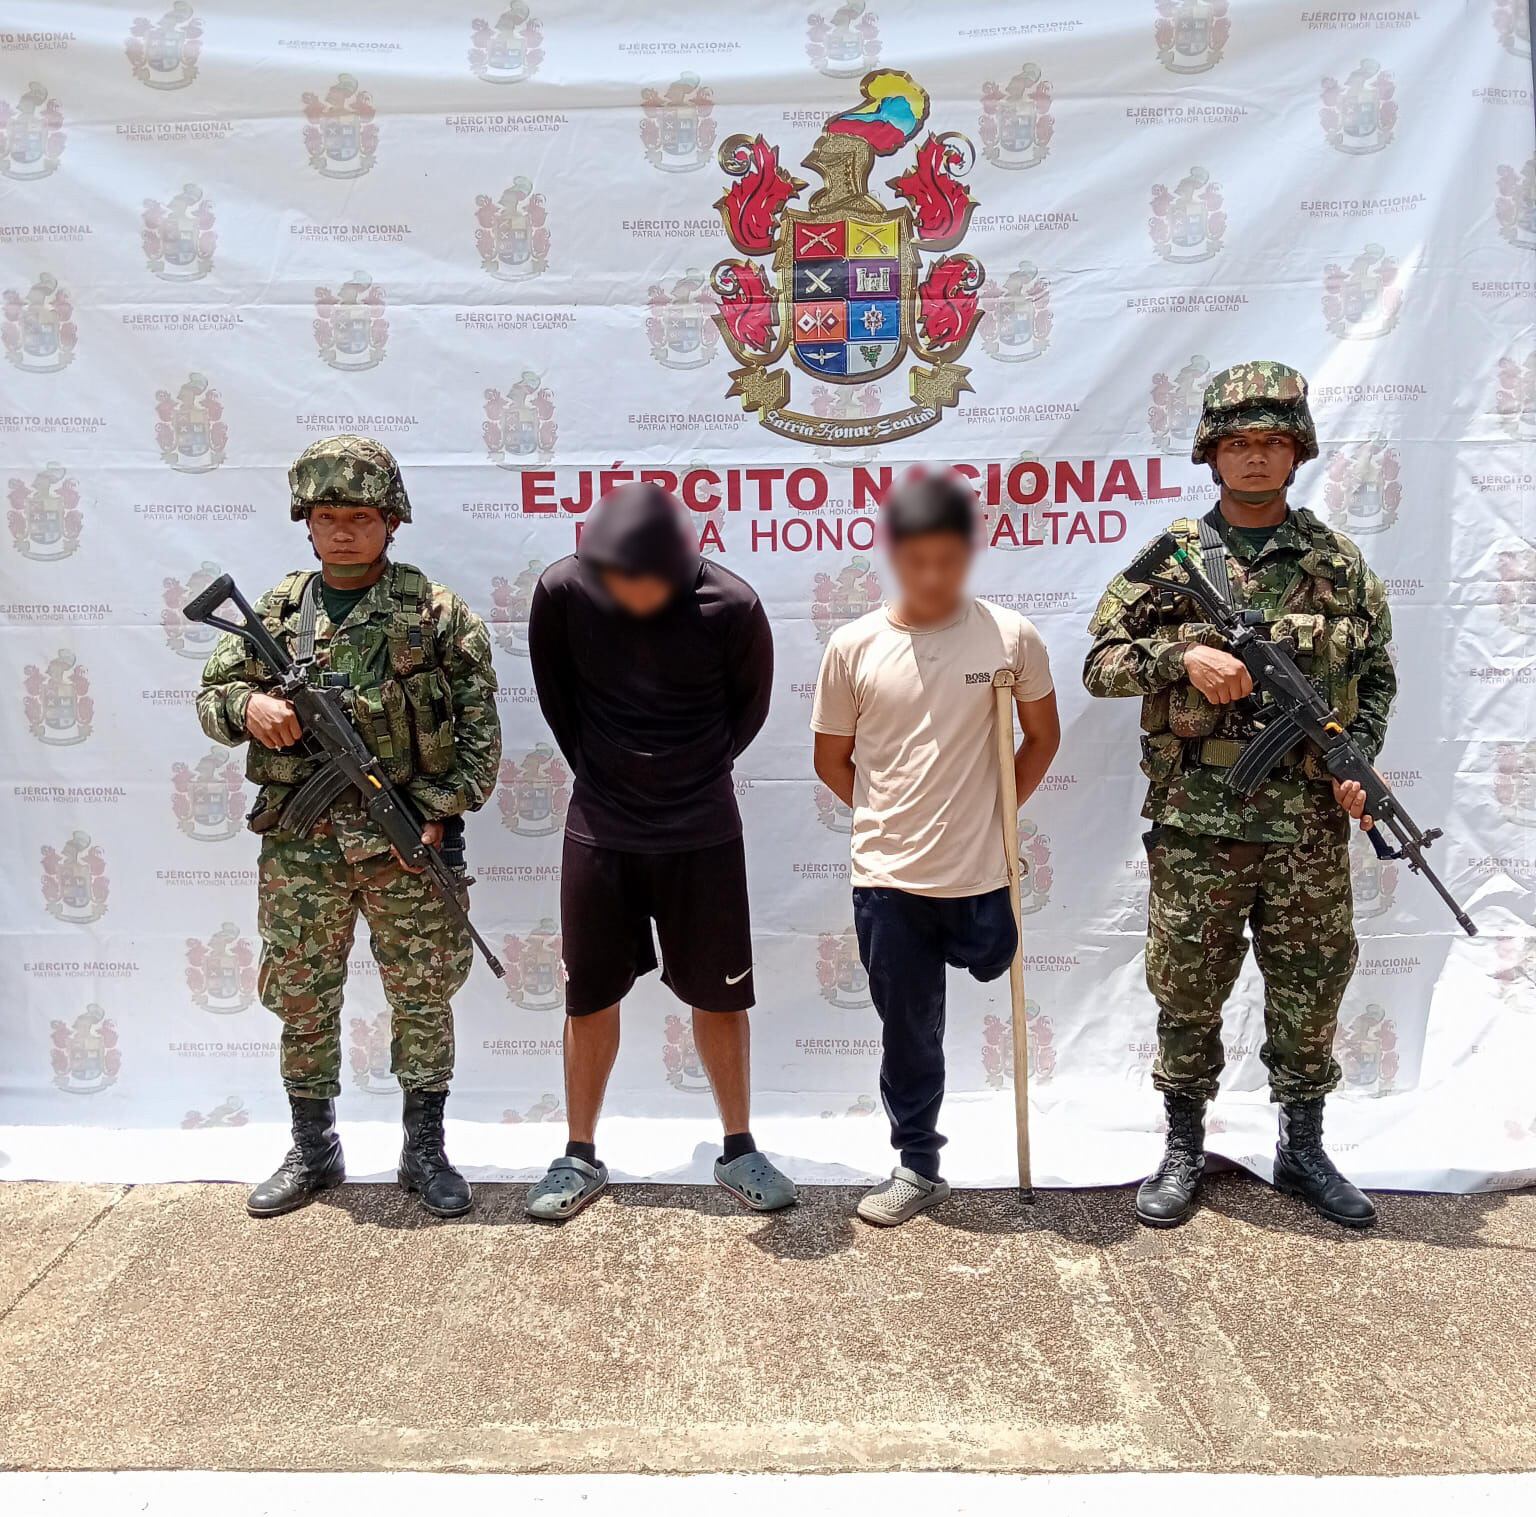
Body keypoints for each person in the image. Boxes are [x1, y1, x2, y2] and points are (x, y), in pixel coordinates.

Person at [1083, 361, 1395, 1229]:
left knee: (1312, 984)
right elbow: (1100, 662)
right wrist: (1181, 658)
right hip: (1196, 827)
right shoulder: (1176, 559)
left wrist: (1354, 762)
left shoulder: (1336, 564)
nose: (1255, 458)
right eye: (1238, 443)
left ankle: (1303, 1148)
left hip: (1304, 831)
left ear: (1297, 452)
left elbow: (1373, 680)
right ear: (1212, 453)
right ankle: (1184, 1147)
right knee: (1186, 988)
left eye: (1272, 442)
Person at [196, 436, 501, 1219]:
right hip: (303, 848)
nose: (342, 531)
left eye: (359, 515)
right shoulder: (274, 611)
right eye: (326, 516)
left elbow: (480, 743)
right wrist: (247, 708)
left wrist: (436, 811)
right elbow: (213, 697)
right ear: (306, 522)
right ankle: (314, 1145)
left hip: (407, 846)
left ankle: (424, 1148)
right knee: (301, 992)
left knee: (423, 993)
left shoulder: (437, 615)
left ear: (391, 521)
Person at [524, 482, 794, 1218]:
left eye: (643, 581)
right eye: (614, 578)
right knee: (589, 997)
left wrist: (685, 775)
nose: (628, 592)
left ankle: (739, 1148)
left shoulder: (732, 606)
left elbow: (750, 708)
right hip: (601, 826)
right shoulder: (563, 591)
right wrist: (610, 771)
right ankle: (578, 1155)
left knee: (720, 994)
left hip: (700, 830)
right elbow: (558, 699)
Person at [811, 474, 1060, 1225]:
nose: (932, 576)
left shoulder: (1009, 638)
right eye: (917, 559)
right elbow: (831, 758)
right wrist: (892, 813)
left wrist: (994, 812)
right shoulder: (854, 646)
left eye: (948, 559)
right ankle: (919, 1164)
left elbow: (1042, 737)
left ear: (968, 554)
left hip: (983, 873)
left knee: (994, 960)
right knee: (909, 1030)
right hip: (889, 877)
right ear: (893, 555)